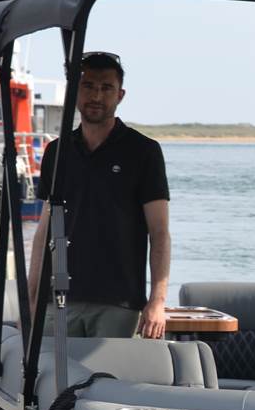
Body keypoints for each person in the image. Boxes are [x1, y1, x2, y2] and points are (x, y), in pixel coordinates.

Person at [28, 51, 170, 338]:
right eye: (89, 86)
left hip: (118, 303)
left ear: (120, 95)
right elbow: (43, 234)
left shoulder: (143, 152)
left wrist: (157, 302)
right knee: (53, 381)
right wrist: (30, 300)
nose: (97, 96)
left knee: (110, 380)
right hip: (59, 300)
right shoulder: (57, 152)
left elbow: (159, 233)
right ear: (76, 91)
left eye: (106, 88)